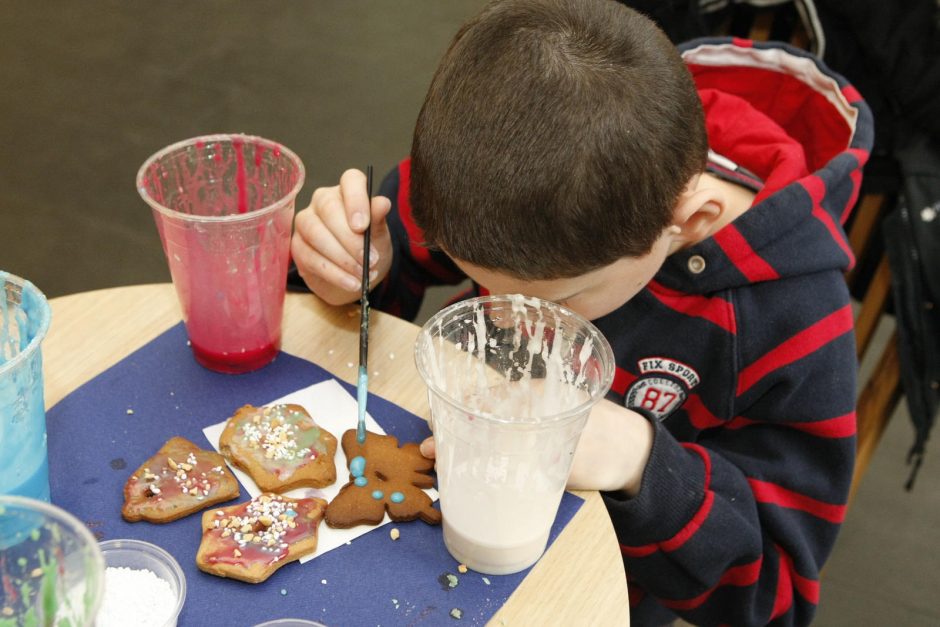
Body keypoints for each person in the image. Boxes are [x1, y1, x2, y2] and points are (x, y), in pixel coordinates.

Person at [290, 0, 873, 624]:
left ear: (689, 222)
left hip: (589, 594)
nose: (509, 321)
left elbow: (776, 599)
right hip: (432, 528)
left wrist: (642, 463)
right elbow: (388, 259)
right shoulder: (506, 168)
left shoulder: (793, 317)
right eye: (487, 287)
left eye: (557, 302)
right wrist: (357, 265)